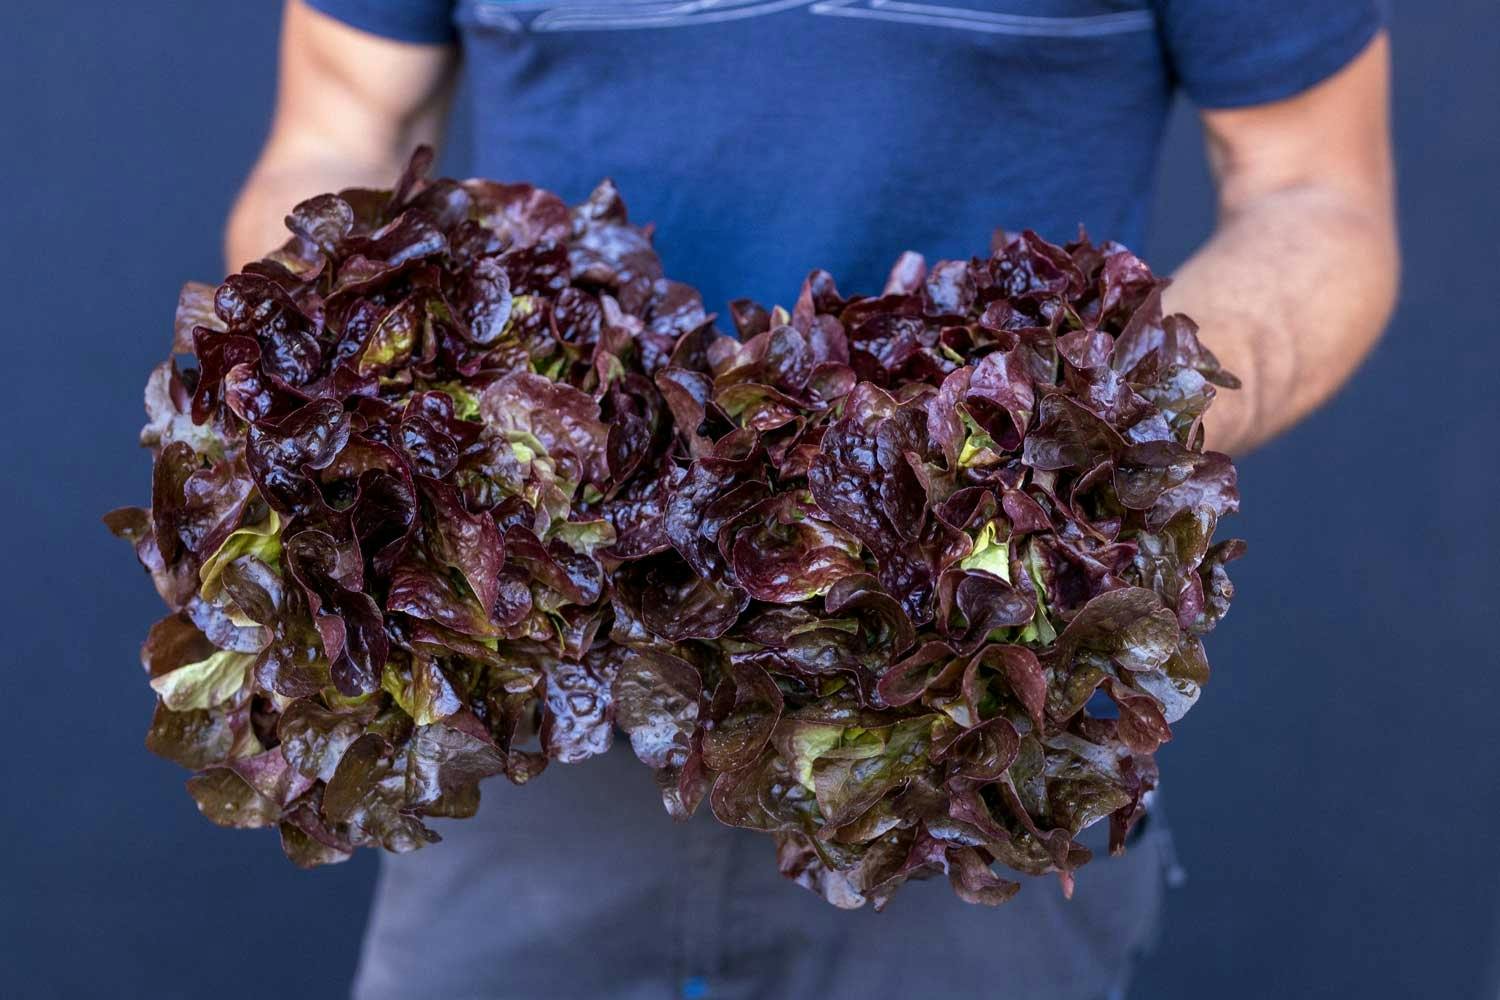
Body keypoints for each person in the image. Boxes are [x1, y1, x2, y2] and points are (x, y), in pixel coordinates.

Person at [228, 2, 1397, 997]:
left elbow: (1313, 192)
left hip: (965, 720)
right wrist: (396, 408)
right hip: (532, 719)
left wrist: (1080, 423)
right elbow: (337, 127)